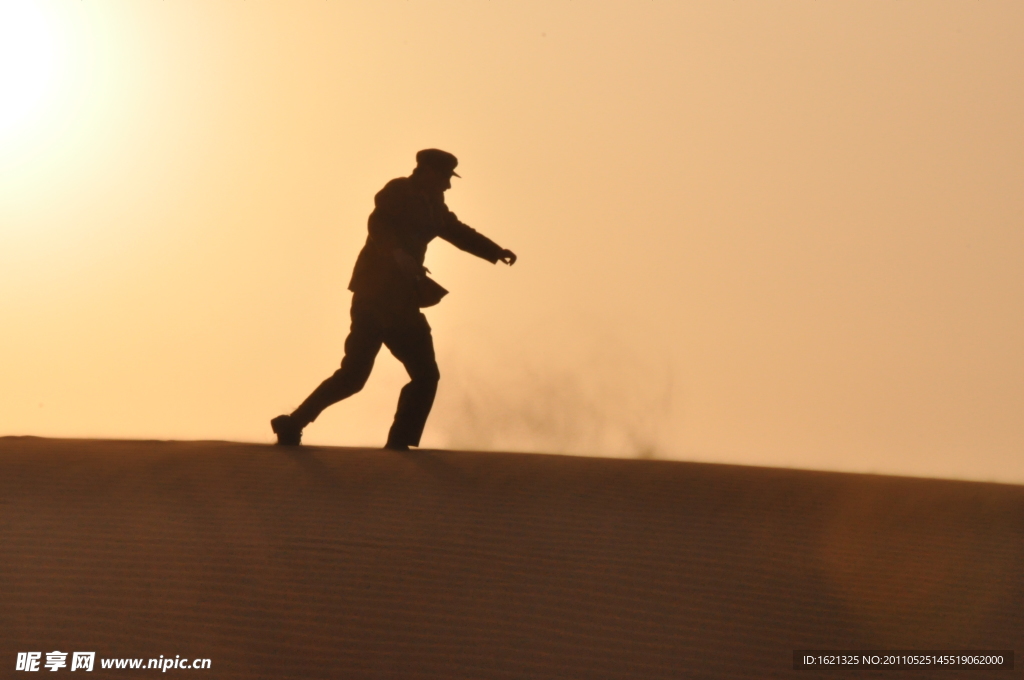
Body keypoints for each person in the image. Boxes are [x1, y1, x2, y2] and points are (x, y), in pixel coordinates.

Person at [271, 149, 517, 450]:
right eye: (443, 178)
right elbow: (378, 225)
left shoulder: (435, 205)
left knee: (426, 376)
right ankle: (293, 423)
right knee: (354, 376)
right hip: (374, 297)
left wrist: (495, 251)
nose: (447, 185)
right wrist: (396, 253)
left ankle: (399, 445)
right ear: (426, 171)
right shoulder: (397, 191)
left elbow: (457, 231)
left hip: (403, 302)